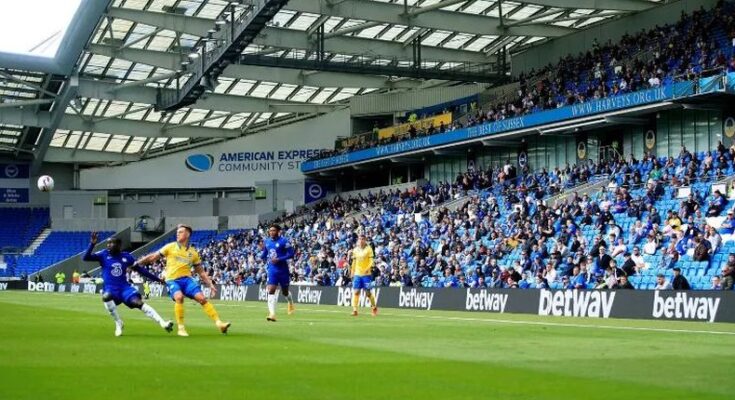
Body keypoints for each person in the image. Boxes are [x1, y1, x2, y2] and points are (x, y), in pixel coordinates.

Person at [135, 224, 230, 336]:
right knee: (179, 297)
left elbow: (201, 272)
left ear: (187, 234)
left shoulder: (193, 253)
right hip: (172, 280)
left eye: (180, 232)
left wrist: (210, 285)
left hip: (187, 280)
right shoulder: (170, 247)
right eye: (177, 232)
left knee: (202, 298)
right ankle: (181, 328)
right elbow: (153, 257)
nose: (177, 233)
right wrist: (137, 263)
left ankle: (219, 324)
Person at [82, 232, 172, 337]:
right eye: (108, 243)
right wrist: (92, 244)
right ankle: (118, 322)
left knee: (138, 303)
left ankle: (163, 323)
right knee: (106, 297)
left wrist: (157, 279)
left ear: (119, 245)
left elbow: (141, 270)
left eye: (111, 243)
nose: (108, 245)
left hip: (124, 288)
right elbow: (85, 257)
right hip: (111, 289)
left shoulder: (127, 257)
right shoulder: (103, 254)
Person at [259, 224, 296, 322]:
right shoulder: (267, 241)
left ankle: (290, 303)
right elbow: (265, 253)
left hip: (283, 269)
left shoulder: (284, 241)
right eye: (270, 230)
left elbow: (291, 254)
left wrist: (279, 259)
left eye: (273, 230)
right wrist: (261, 256)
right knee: (271, 290)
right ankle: (272, 314)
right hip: (272, 269)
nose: (271, 232)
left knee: (285, 291)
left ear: (278, 231)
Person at [348, 234, 378, 317]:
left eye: (362, 239)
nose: (360, 241)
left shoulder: (369, 249)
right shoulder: (355, 250)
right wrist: (352, 271)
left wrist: (367, 269)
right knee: (356, 292)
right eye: (359, 239)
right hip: (357, 273)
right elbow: (354, 262)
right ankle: (355, 310)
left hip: (366, 274)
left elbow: (371, 261)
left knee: (368, 293)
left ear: (365, 240)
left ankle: (374, 307)